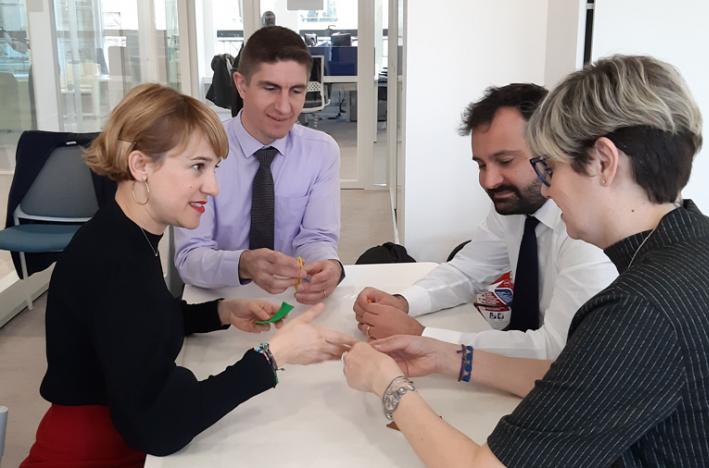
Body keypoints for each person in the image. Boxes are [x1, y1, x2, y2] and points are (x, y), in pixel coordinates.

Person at [342, 55, 709, 467]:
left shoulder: (640, 308)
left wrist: (390, 388)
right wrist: (448, 357)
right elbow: (572, 378)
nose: (549, 189)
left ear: (603, 161)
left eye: (550, 169)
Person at [22, 84, 355, 466]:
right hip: (89, 454)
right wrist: (272, 356)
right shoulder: (115, 261)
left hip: (110, 435)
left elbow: (139, 323)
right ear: (141, 165)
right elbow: (161, 428)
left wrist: (221, 312)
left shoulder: (125, 234)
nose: (212, 187)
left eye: (214, 168)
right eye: (198, 166)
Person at [353, 84, 616, 359]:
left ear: (552, 152)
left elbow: (557, 351)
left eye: (505, 161)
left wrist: (423, 336)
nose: (489, 181)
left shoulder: (588, 231)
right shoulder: (517, 205)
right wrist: (402, 302)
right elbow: (468, 270)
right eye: (481, 165)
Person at [175, 26, 343, 305]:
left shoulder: (321, 152)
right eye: (271, 88)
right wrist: (242, 264)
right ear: (241, 85)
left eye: (296, 91)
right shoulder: (199, 150)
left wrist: (330, 265)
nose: (285, 107)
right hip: (219, 302)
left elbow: (317, 237)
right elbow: (189, 257)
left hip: (291, 301)